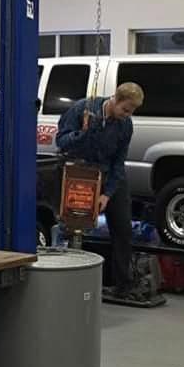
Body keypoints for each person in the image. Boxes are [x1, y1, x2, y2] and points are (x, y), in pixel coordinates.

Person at [56, 81, 145, 300]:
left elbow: (119, 161)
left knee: (123, 227)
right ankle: (70, 282)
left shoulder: (126, 125)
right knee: (75, 225)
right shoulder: (82, 109)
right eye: (126, 109)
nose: (127, 114)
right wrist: (85, 133)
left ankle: (123, 285)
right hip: (81, 171)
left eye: (132, 111)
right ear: (115, 98)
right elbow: (62, 141)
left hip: (109, 174)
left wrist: (108, 193)